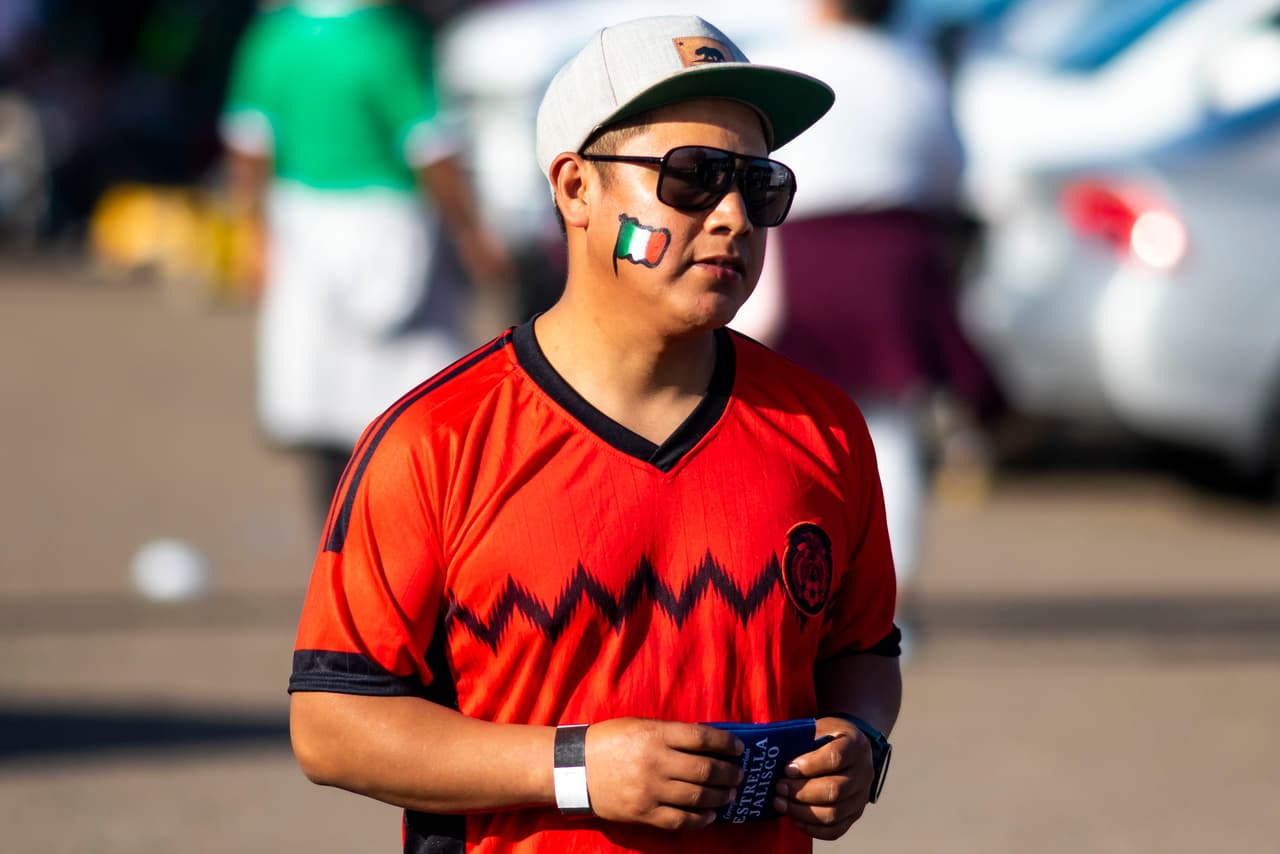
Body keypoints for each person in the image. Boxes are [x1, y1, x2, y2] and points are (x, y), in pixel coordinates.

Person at [288, 14, 902, 854]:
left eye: (760, 186)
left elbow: (864, 651)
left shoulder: (822, 429)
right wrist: (575, 767)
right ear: (576, 188)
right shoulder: (437, 440)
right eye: (692, 176)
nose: (732, 216)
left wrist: (861, 743)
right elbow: (331, 724)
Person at [744, 0, 1005, 627]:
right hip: (895, 255)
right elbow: (952, 172)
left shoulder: (786, 59)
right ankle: (889, 606)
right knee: (888, 428)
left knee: (781, 424)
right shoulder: (912, 67)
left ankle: (786, 590)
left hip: (799, 252)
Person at [220, 0, 510, 522]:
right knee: (418, 410)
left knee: (325, 416)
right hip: (391, 231)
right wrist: (472, 232)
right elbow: (431, 148)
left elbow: (249, 146)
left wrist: (252, 233)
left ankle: (336, 555)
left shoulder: (273, 37)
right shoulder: (394, 37)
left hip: (302, 228)